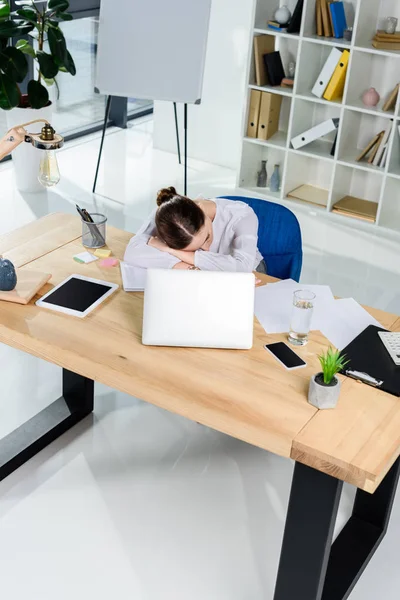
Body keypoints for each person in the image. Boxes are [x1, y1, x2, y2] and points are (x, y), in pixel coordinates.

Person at [124, 187, 266, 272]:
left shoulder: (242, 215)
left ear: (200, 209)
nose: (207, 248)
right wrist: (186, 267)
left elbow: (242, 268)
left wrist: (173, 251)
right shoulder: (169, 215)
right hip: (207, 273)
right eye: (192, 249)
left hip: (254, 271)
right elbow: (132, 252)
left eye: (206, 237)